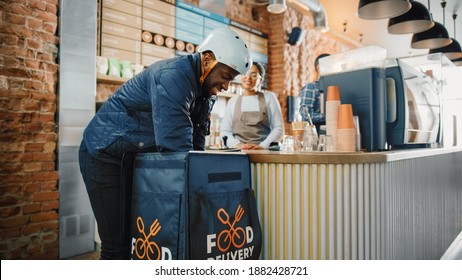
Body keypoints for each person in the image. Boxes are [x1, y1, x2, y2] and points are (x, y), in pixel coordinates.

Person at [78, 27, 252, 259]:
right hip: (104, 154)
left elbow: (195, 146)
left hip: (134, 157)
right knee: (117, 243)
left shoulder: (205, 91)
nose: (226, 86)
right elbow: (175, 145)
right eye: (227, 76)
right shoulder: (173, 75)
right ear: (208, 59)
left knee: (138, 236)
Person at [221, 62, 284, 150]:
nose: (248, 78)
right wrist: (238, 145)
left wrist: (262, 146)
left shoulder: (269, 98)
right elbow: (225, 131)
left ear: (260, 80)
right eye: (245, 73)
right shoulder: (232, 101)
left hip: (264, 152)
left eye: (254, 75)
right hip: (239, 152)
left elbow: (279, 128)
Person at [299, 53, 330, 132]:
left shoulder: (334, 88)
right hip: (317, 136)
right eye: (330, 64)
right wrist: (329, 116)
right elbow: (305, 116)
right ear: (319, 68)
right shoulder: (311, 87)